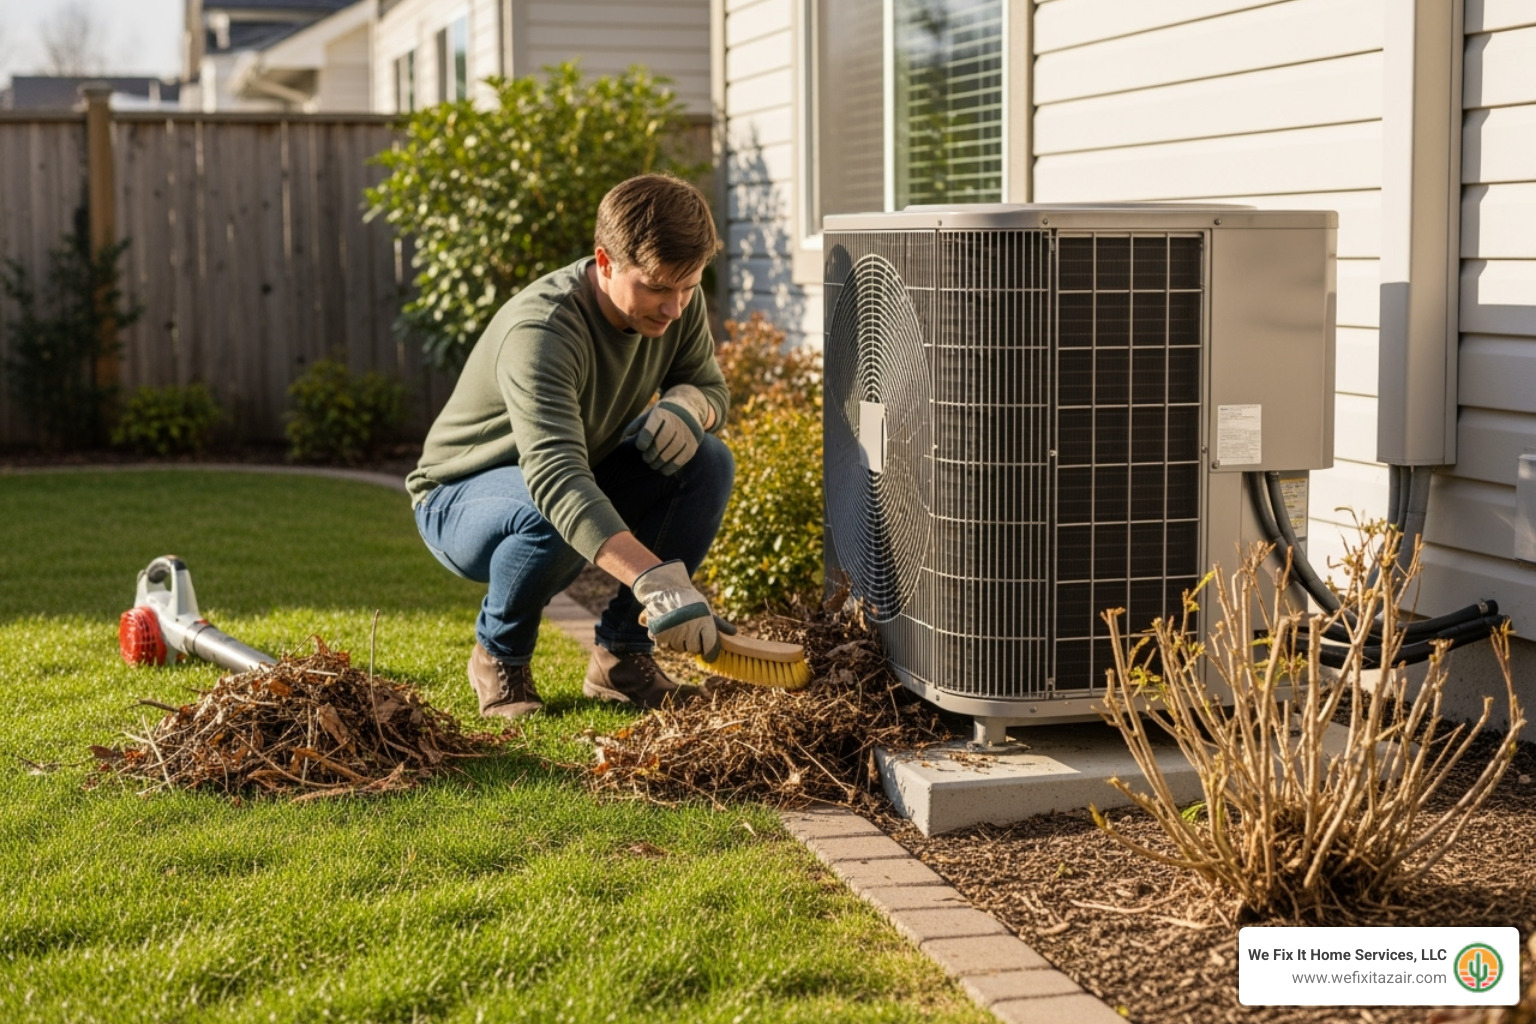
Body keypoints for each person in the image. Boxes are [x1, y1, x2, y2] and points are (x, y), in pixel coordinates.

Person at [406, 173, 735, 719]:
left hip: (567, 474)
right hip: (458, 498)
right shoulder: (542, 332)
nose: (674, 307)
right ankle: (499, 654)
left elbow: (710, 387)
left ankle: (622, 661)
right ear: (605, 262)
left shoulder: (678, 298)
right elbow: (557, 478)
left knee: (706, 460)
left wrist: (688, 406)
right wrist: (658, 581)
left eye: (690, 287)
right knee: (548, 509)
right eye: (657, 287)